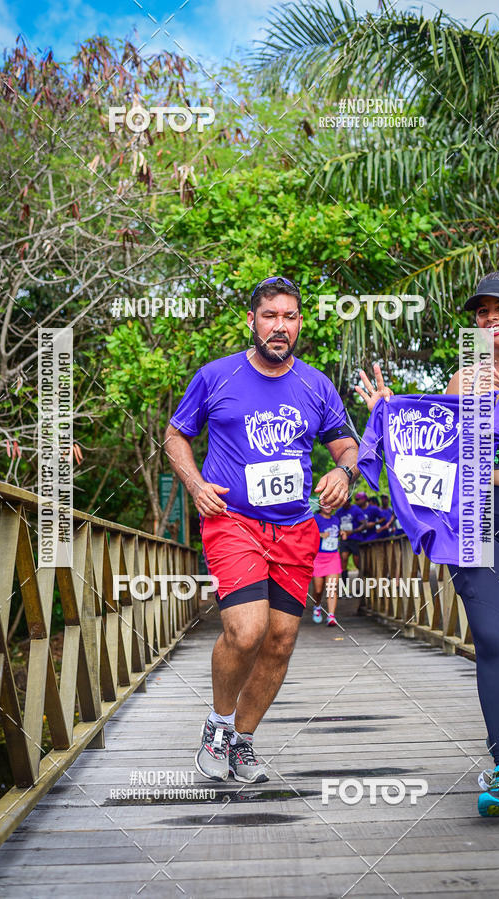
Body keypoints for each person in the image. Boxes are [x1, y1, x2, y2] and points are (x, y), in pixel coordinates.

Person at [355, 270, 499, 817]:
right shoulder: (464, 379)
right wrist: (389, 412)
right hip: (477, 513)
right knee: (494, 638)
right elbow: (434, 445)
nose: (490, 318)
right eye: (481, 311)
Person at [165, 275, 359, 783]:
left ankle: (243, 740)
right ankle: (219, 722)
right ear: (251, 321)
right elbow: (175, 436)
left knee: (280, 640)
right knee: (246, 630)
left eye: (289, 317)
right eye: (270, 316)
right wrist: (195, 483)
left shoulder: (316, 385)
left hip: (296, 529)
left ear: (299, 324)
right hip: (233, 522)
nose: (280, 326)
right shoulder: (216, 377)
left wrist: (343, 471)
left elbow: (346, 445)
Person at [311, 505, 346, 626]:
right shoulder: (315, 518)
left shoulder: (336, 519)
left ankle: (331, 616)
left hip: (333, 557)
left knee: (332, 587)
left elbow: (336, 533)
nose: (328, 507)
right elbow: (306, 534)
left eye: (330, 504)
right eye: (325, 504)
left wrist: (342, 533)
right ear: (320, 505)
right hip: (319, 557)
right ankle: (317, 606)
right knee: (318, 589)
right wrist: (319, 535)